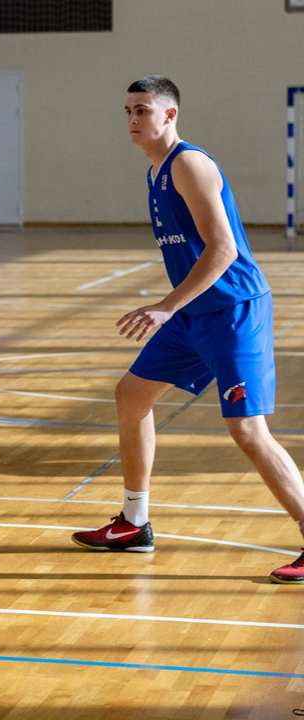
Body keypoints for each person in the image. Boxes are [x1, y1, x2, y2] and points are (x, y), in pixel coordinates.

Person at [71, 76, 304, 583]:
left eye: (143, 110)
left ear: (170, 115)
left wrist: (164, 307)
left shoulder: (190, 165)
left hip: (233, 312)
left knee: (247, 430)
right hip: (192, 313)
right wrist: (175, 309)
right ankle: (134, 523)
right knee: (131, 395)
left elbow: (222, 249)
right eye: (128, 110)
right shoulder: (154, 172)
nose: (133, 120)